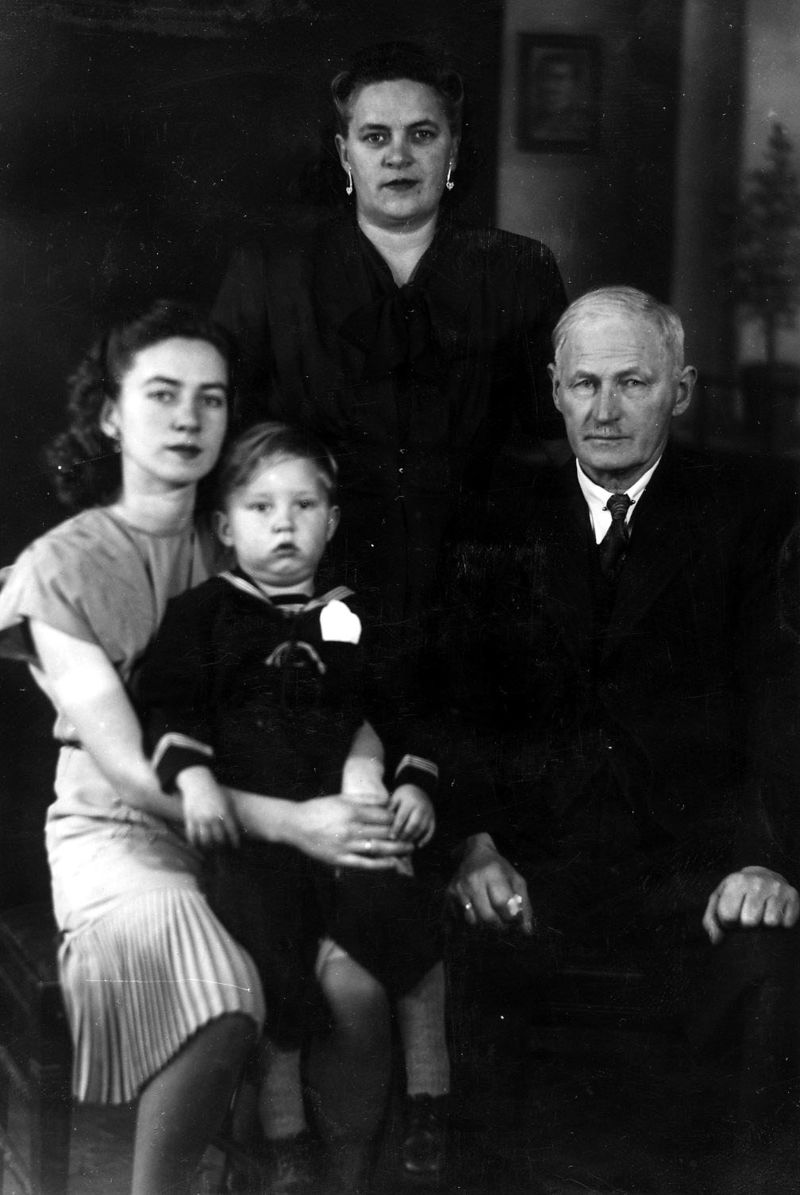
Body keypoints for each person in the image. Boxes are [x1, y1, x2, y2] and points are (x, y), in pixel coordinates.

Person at [0, 303, 409, 1195]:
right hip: (128, 835)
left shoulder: (256, 530)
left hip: (268, 830)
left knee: (357, 977)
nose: (188, 418)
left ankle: (309, 1173)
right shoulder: (61, 566)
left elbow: (341, 692)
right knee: (227, 999)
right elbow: (129, 771)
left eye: (210, 398)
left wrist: (357, 783)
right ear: (110, 415)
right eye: (161, 394)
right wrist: (299, 824)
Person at [445, 287, 800, 1187]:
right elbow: (462, 696)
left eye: (632, 382)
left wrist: (764, 860)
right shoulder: (498, 509)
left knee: (769, 975)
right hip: (536, 862)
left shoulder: (755, 509)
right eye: (584, 384)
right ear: (555, 391)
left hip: (695, 866)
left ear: (681, 390)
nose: (604, 410)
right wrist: (474, 841)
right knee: (473, 975)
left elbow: (781, 700)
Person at [132, 421, 451, 1192]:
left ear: (331, 521)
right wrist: (196, 780)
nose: (284, 524)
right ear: (224, 526)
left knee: (404, 912)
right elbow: (170, 708)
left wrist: (413, 783)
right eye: (261, 507)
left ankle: (429, 1095)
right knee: (270, 948)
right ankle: (286, 1136)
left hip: (345, 826)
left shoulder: (353, 616)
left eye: (304, 506)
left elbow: (403, 710)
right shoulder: (203, 615)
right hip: (260, 836)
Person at [212, 40, 568, 621]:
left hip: (481, 594)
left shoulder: (519, 271)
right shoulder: (273, 273)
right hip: (310, 585)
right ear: (345, 154)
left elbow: (557, 439)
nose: (398, 155)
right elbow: (226, 437)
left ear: (453, 149)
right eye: (375, 137)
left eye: (422, 135)